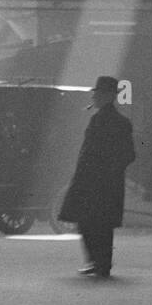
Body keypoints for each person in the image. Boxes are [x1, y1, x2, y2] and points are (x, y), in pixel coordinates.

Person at [57, 76, 136, 279]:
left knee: (92, 223)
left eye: (98, 93)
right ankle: (99, 263)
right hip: (103, 182)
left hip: (96, 181)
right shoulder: (117, 121)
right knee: (99, 223)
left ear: (108, 96)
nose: (94, 96)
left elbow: (125, 154)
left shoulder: (108, 121)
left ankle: (99, 263)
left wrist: (104, 171)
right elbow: (128, 155)